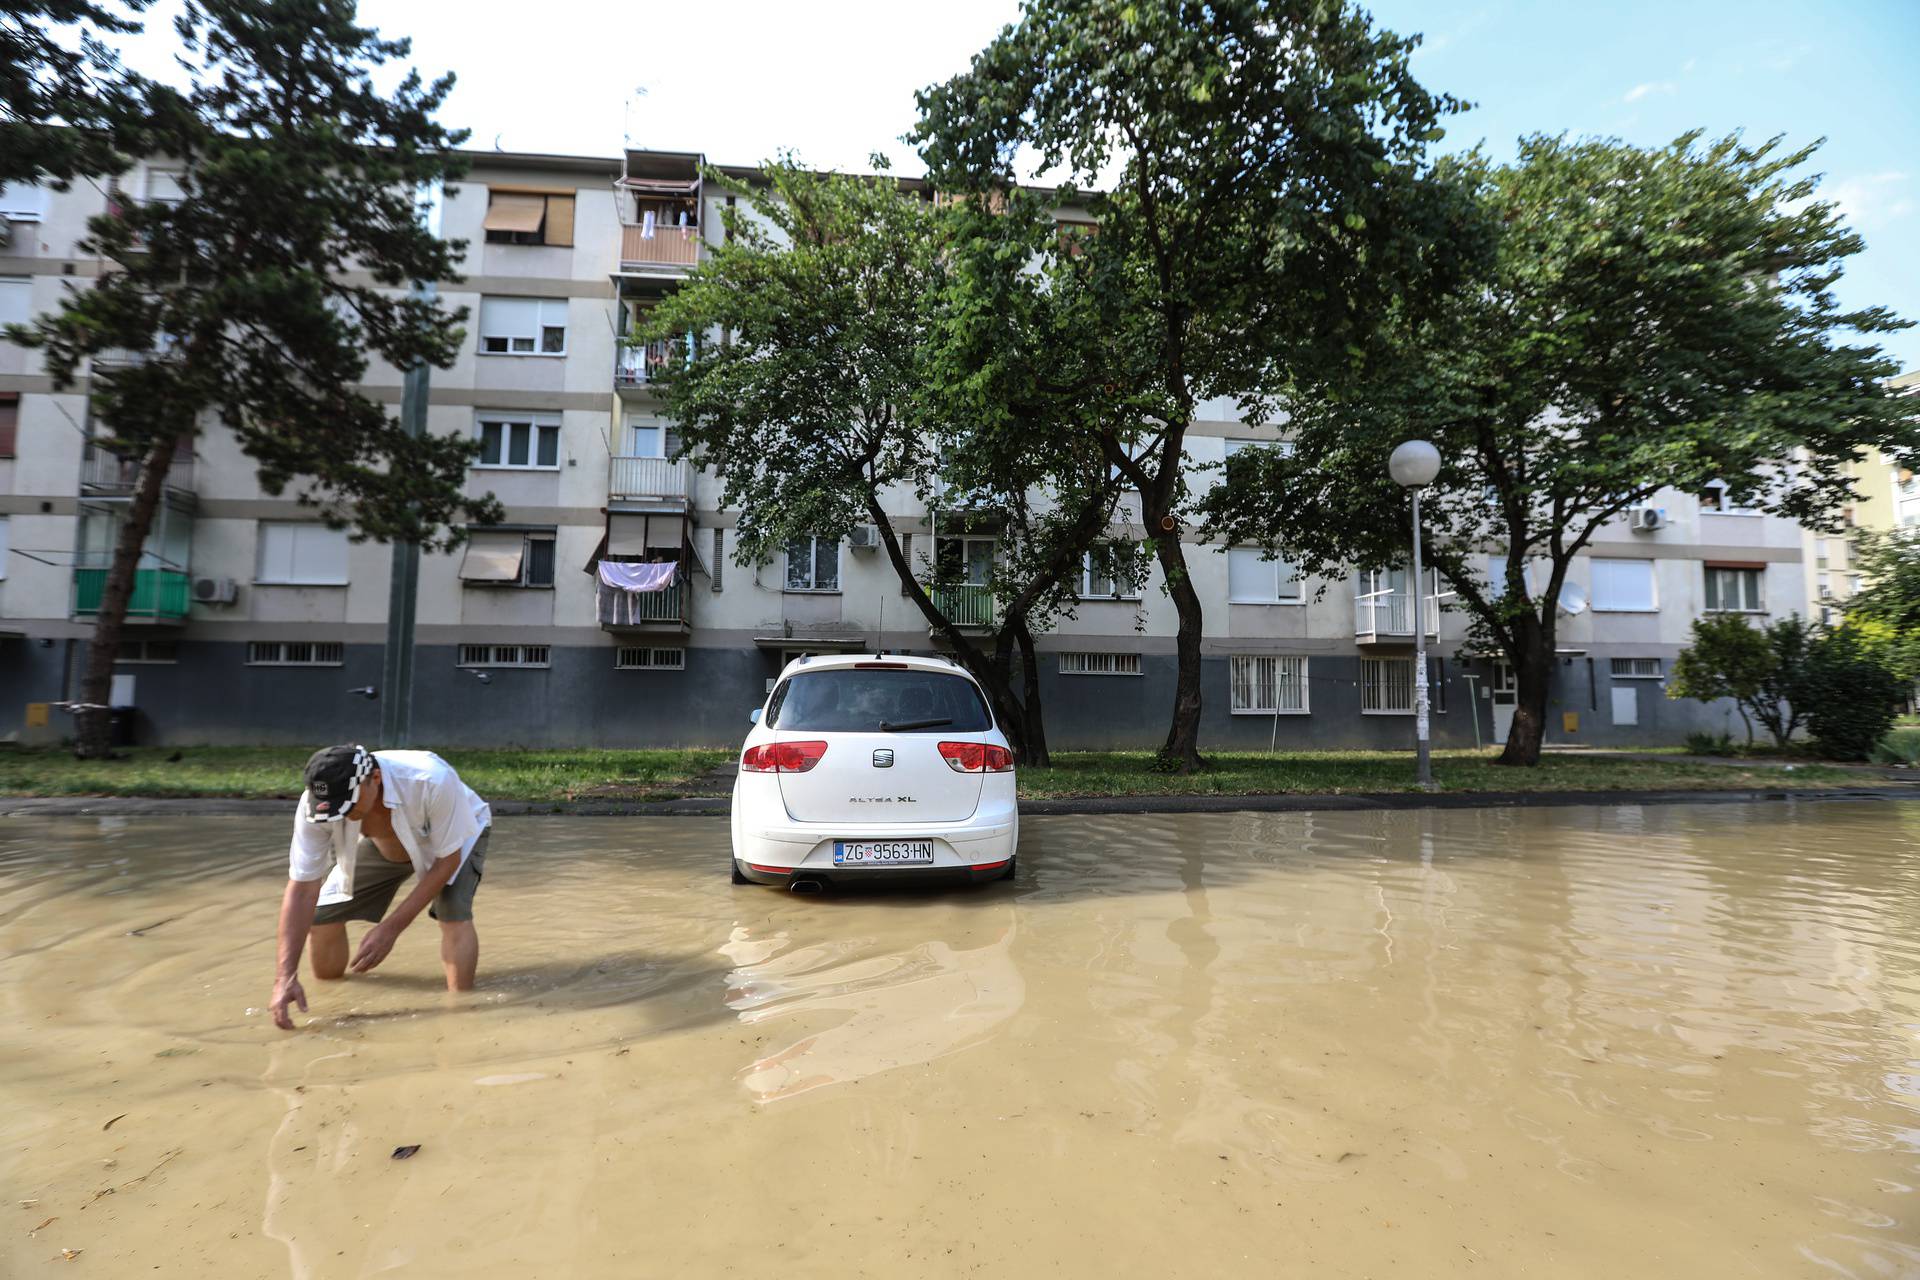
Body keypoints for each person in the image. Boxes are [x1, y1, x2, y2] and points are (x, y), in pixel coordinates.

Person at [268, 745, 492, 1030]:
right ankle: (332, 999)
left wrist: (391, 928)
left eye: (348, 805)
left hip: (456, 839)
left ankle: (460, 1015)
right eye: (335, 808)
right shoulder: (318, 805)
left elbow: (448, 861)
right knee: (320, 917)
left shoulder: (430, 779)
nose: (342, 815)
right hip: (387, 845)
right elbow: (301, 889)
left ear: (374, 779)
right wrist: (284, 977)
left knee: (451, 913)